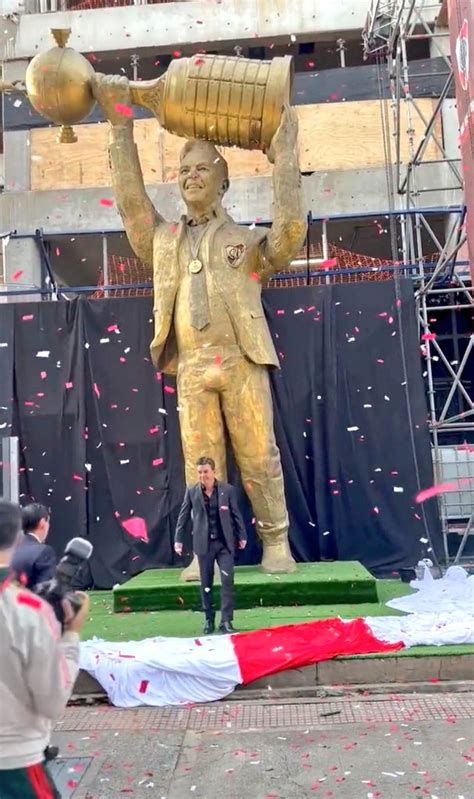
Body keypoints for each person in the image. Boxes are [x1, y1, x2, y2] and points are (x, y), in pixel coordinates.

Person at [92, 73, 306, 578]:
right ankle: (203, 550)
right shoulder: (162, 243)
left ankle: (276, 542)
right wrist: (120, 122)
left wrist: (285, 158)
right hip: (191, 366)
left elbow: (291, 232)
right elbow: (130, 203)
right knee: (201, 466)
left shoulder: (247, 245)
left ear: (223, 180)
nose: (191, 176)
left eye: (202, 169)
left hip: (241, 362)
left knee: (259, 455)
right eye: (184, 170)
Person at [0, 498, 89, 799]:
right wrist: (72, 636)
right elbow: (52, 700)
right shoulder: (29, 610)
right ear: (16, 538)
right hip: (15, 766)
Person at [174, 457, 247, 634]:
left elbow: (236, 514)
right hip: (204, 544)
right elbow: (183, 517)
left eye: (205, 471)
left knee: (227, 580)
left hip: (224, 543)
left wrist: (242, 535)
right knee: (206, 582)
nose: (202, 475)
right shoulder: (192, 492)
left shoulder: (227, 490)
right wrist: (178, 539)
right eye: (200, 472)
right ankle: (209, 619)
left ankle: (226, 621)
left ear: (213, 471)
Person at [10, 503, 57, 590]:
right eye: (48, 522)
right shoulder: (44, 552)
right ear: (42, 523)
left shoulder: (7, 549)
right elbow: (46, 593)